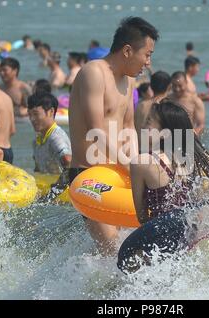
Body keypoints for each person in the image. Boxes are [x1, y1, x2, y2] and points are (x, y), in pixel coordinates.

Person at [69, 16, 158, 254]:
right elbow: (96, 131)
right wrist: (131, 166)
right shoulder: (93, 73)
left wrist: (140, 165)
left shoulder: (128, 81)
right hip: (90, 175)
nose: (148, 62)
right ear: (128, 50)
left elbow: (128, 129)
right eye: (147, 54)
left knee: (138, 248)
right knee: (114, 252)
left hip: (120, 172)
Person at [118, 101, 209, 273]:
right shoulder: (199, 159)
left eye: (148, 123)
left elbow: (141, 216)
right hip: (190, 237)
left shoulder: (142, 162)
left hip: (159, 241)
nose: (143, 127)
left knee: (123, 260)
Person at [28, 92, 72, 201]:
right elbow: (38, 170)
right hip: (47, 190)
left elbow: (69, 163)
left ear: (51, 111)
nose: (32, 119)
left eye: (36, 114)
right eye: (30, 115)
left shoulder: (56, 138)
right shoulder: (37, 140)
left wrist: (51, 195)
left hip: (62, 199)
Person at [134, 70, 171, 136]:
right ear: (169, 87)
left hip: (138, 145)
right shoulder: (169, 107)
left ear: (150, 86)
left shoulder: (141, 105)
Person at [169, 71, 205, 136]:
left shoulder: (195, 101)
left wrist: (192, 137)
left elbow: (201, 125)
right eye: (174, 85)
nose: (177, 89)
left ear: (186, 83)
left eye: (180, 86)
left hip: (188, 136)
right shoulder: (167, 99)